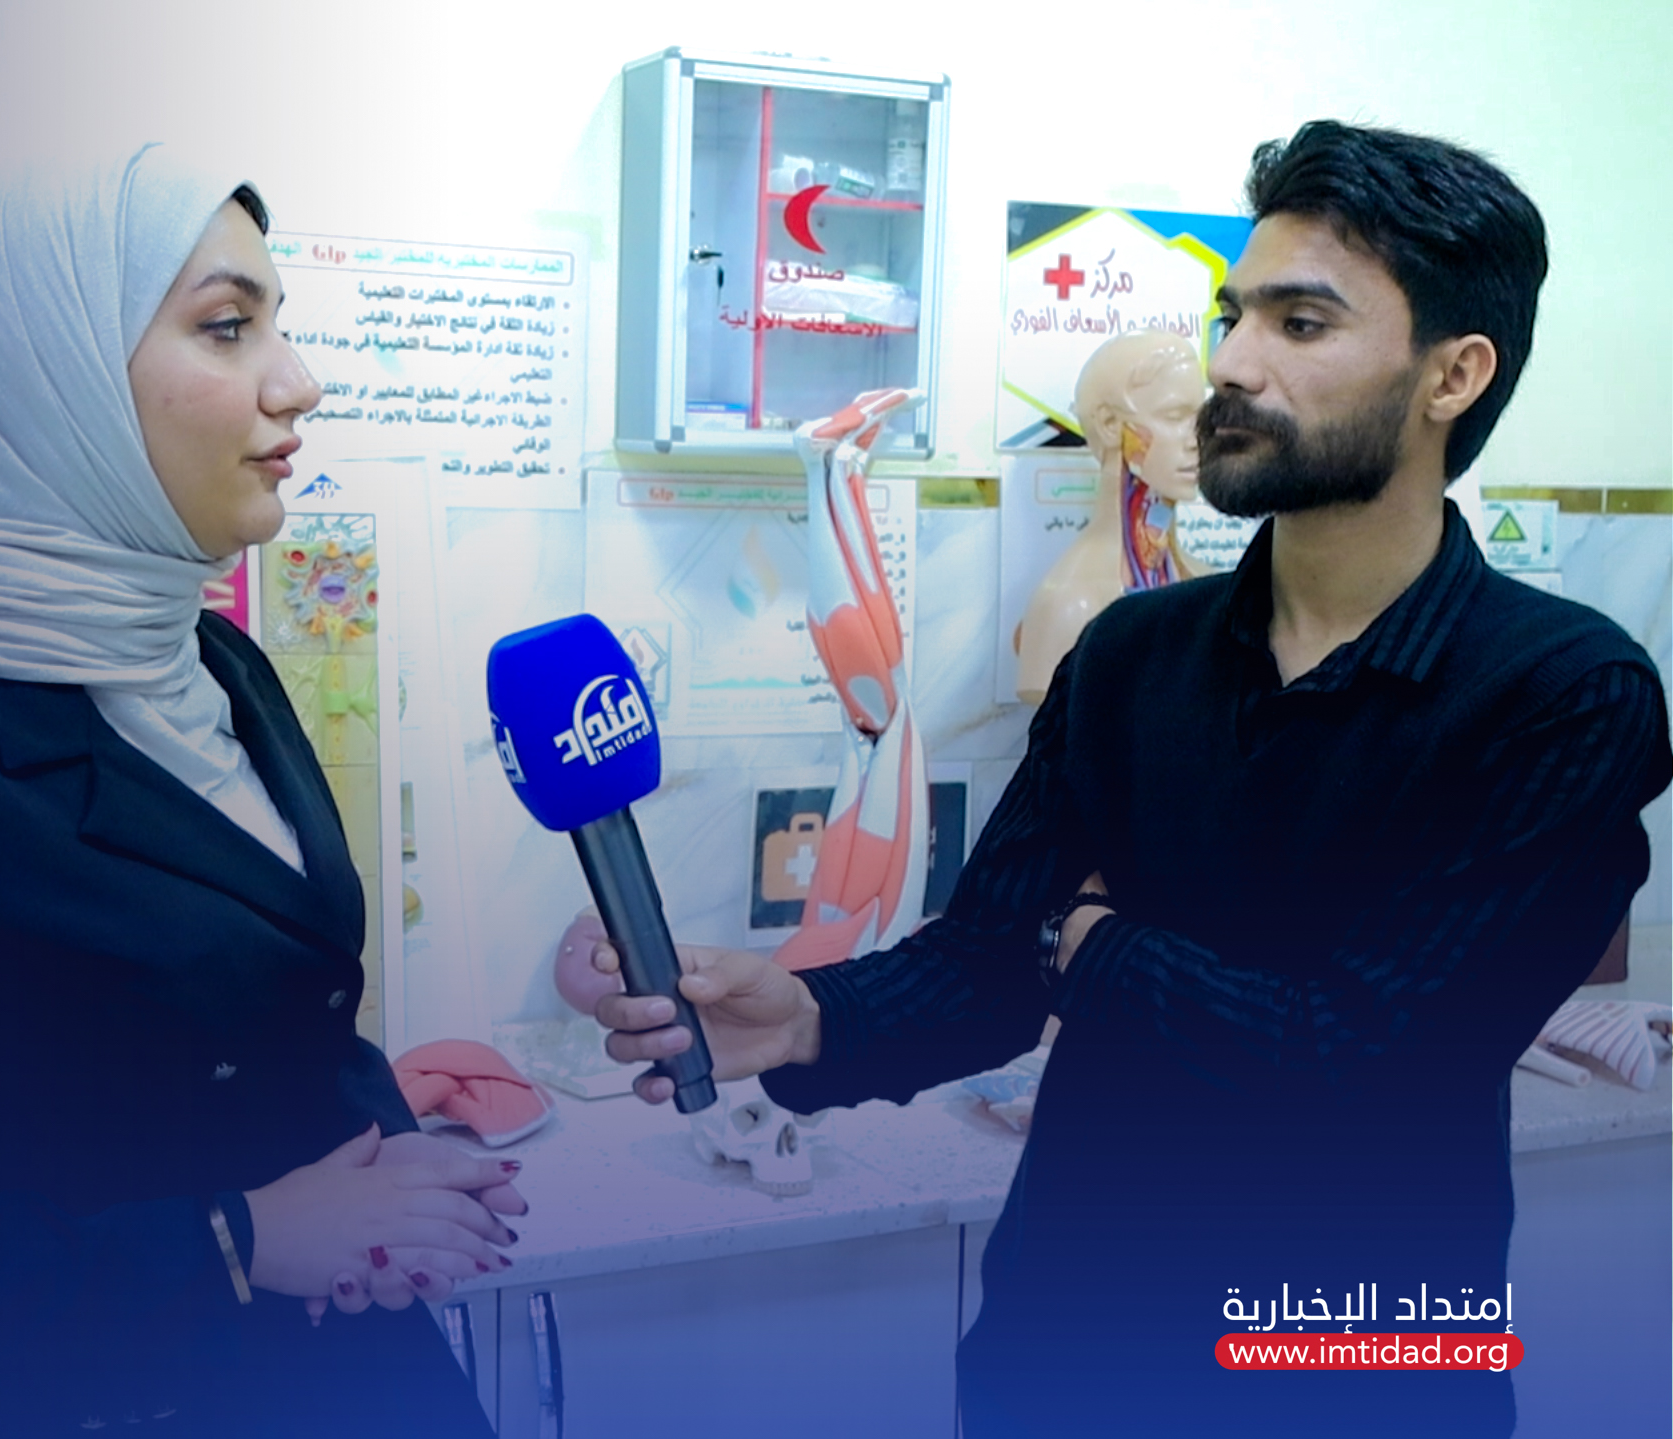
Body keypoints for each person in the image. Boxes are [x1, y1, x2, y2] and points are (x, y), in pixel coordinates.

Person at [593, 121, 1670, 1437]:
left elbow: (1367, 1065)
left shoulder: (1562, 691)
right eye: (1234, 315)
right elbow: (991, 955)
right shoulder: (1131, 653)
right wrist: (810, 1014)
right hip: (1069, 1339)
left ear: (1454, 372)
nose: (1233, 363)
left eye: (1300, 323)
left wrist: (1093, 948)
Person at [0, 146, 514, 1438]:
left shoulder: (213, 662)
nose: (299, 380)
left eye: (279, 326)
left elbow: (282, 1017)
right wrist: (238, 1240)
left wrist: (393, 1167)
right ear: (43, 375)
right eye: (228, 327)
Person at [1013, 329, 1208, 703]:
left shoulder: (1208, 587)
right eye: (1175, 416)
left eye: (1201, 417)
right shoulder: (1070, 605)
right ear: (1108, 425)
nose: (1197, 438)